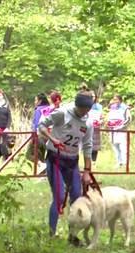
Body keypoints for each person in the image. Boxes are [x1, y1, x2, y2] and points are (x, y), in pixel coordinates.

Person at [38, 90, 95, 238]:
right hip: (55, 159)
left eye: (87, 109)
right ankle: (51, 233)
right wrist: (52, 138)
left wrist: (87, 171)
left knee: (76, 197)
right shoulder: (62, 113)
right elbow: (42, 125)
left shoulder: (88, 122)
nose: (84, 112)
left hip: (72, 161)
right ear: (77, 105)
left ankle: (72, 235)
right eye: (82, 109)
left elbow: (88, 146)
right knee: (59, 196)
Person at [107, 94, 131, 168]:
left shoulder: (125, 108)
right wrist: (109, 124)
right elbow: (109, 117)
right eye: (114, 99)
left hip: (121, 130)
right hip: (112, 130)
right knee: (115, 146)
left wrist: (121, 126)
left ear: (120, 100)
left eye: (116, 99)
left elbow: (128, 119)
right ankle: (119, 162)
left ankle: (125, 163)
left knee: (123, 147)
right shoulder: (112, 107)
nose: (115, 101)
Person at [29, 93, 51, 164]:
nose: (35, 102)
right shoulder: (49, 108)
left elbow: (36, 123)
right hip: (48, 134)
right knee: (42, 152)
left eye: (36, 100)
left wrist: (33, 134)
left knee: (29, 154)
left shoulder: (39, 109)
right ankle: (42, 168)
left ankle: (41, 165)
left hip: (39, 134)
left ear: (40, 101)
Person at [87, 92, 104, 162]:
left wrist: (100, 121)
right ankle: (88, 159)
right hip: (88, 126)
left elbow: (102, 117)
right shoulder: (86, 105)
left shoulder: (99, 106)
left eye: (94, 96)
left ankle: (94, 160)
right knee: (88, 143)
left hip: (96, 127)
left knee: (95, 144)